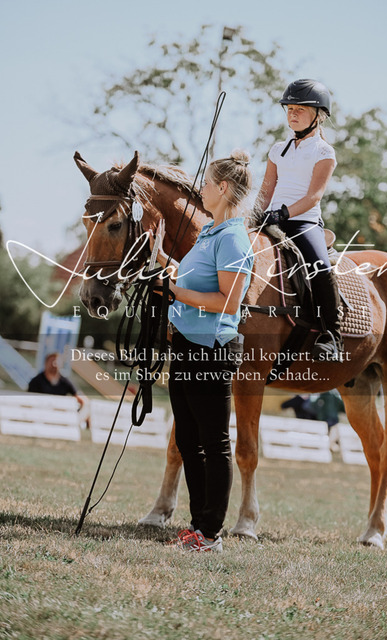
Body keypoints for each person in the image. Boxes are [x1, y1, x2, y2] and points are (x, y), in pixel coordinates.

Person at [150, 150, 254, 552]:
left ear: (223, 188)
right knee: (189, 439)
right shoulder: (211, 232)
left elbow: (228, 302)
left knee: (213, 442)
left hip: (212, 348)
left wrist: (174, 291)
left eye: (207, 183)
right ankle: (198, 526)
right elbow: (197, 281)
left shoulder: (232, 239)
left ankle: (210, 534)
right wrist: (164, 261)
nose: (202, 189)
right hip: (187, 344)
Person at [255, 78, 342, 360]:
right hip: (270, 218)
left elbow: (314, 197)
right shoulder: (277, 149)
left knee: (320, 267)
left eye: (300, 109)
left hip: (303, 222)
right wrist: (253, 216)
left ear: (319, 115)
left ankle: (332, 335)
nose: (292, 114)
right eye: (289, 109)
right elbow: (266, 190)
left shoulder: (324, 152)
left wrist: (284, 213)